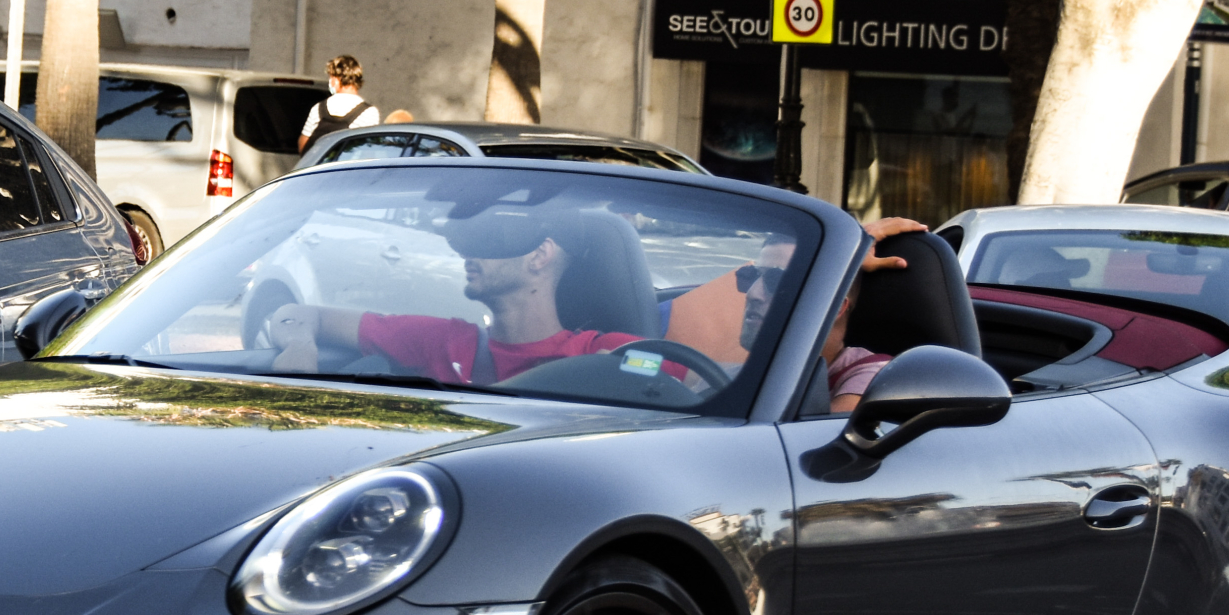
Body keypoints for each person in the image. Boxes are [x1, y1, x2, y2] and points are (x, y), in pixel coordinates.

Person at [264, 212, 645, 383]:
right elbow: (294, 314)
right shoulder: (442, 342)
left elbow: (689, 379)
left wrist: (608, 374)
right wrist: (299, 348)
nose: (468, 254)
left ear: (540, 255)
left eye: (488, 240)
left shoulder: (607, 353)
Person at [735, 216, 927, 412]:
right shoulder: (731, 375)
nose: (752, 293)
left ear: (834, 307)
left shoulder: (876, 376)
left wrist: (846, 248)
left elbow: (814, 440)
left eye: (777, 281)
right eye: (750, 276)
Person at [297, 55, 379, 152]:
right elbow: (369, 148)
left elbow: (303, 143)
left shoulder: (318, 108)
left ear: (336, 80)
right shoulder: (370, 113)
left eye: (331, 78)